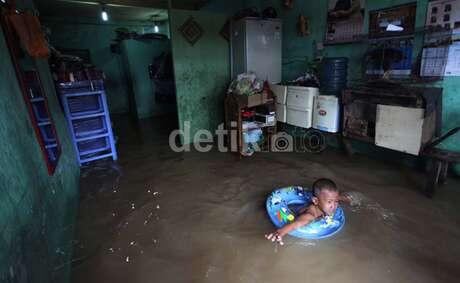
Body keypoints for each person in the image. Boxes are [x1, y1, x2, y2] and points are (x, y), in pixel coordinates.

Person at [265, 178, 350, 245]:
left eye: (336, 201)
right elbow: (297, 223)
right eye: (329, 202)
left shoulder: (329, 202)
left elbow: (337, 197)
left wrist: (347, 199)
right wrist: (280, 232)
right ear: (316, 201)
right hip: (294, 210)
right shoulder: (310, 215)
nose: (334, 205)